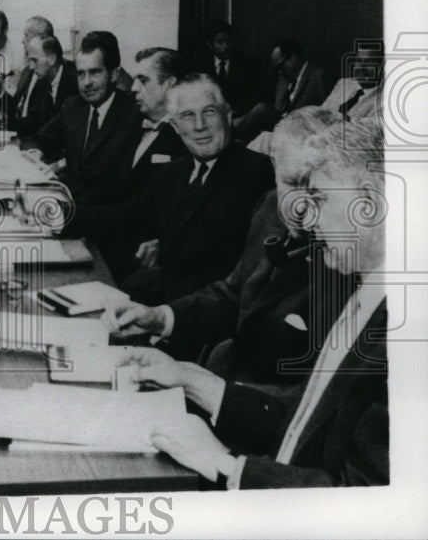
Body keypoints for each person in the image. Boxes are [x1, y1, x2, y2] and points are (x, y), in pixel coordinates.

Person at [127, 117, 387, 489]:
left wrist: (224, 465)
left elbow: (365, 502)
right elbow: (308, 423)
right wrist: (192, 380)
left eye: (321, 199)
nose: (309, 219)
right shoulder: (370, 290)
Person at [106, 107, 349, 387]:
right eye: (291, 183)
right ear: (274, 166)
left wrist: (205, 389)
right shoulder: (270, 207)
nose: (301, 203)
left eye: (316, 188)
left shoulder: (348, 255)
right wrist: (160, 317)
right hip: (225, 381)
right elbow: (234, 294)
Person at [97, 73, 274, 301]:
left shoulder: (256, 172)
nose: (200, 126)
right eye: (188, 116)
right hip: (167, 300)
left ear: (228, 115)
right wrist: (65, 214)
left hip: (207, 312)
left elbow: (240, 274)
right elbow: (124, 216)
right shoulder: (172, 172)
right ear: (175, 126)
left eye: (209, 112)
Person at [25, 30, 142, 209]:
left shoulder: (132, 116)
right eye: (81, 74)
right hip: (63, 202)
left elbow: (115, 190)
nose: (86, 82)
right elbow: (38, 140)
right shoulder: (73, 106)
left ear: (113, 75)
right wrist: (35, 155)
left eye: (94, 72)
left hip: (98, 218)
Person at [128, 47, 190, 197]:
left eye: (143, 80)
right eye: (135, 80)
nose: (134, 88)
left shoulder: (186, 136)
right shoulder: (131, 124)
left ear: (169, 85)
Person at [1, 35, 77, 141]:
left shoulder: (74, 82)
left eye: (35, 61)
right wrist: (4, 121)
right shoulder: (43, 80)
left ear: (52, 59)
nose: (31, 67)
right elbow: (34, 122)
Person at [196, 20, 265, 117]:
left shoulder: (249, 64)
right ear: (210, 44)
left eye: (229, 41)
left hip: (241, 120)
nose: (226, 46)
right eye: (220, 42)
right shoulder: (200, 66)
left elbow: (256, 97)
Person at [322, 39, 383, 120]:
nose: (361, 67)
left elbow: (367, 129)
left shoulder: (384, 98)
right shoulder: (344, 84)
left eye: (369, 62)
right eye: (358, 60)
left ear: (382, 66)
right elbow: (321, 112)